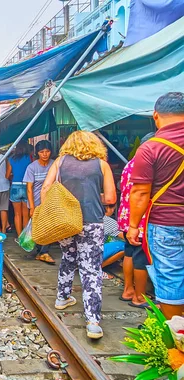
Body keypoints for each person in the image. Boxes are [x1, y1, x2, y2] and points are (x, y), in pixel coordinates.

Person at [42, 131, 116, 339]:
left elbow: (46, 187)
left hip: (65, 221)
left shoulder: (60, 162)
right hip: (92, 220)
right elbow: (110, 197)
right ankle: (92, 321)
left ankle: (62, 297)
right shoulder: (101, 164)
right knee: (90, 268)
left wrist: (50, 210)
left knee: (68, 257)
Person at [128, 92, 184, 319]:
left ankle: (176, 342)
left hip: (166, 222)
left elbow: (140, 191)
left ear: (156, 116)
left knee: (171, 276)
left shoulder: (151, 148)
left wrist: (133, 226)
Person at [117, 133, 155, 308]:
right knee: (141, 256)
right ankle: (139, 297)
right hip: (139, 218)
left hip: (126, 216)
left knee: (129, 253)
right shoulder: (147, 165)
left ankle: (128, 290)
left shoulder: (130, 164)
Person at [23, 140, 55, 264]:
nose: (45, 154)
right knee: (38, 228)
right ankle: (41, 251)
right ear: (37, 153)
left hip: (51, 202)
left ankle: (43, 251)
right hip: (35, 202)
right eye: (42, 152)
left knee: (49, 228)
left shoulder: (54, 165)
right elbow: (29, 189)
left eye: (47, 151)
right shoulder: (32, 167)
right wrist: (31, 207)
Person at [8, 142, 32, 237]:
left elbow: (7, 175)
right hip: (26, 186)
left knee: (17, 214)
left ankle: (19, 237)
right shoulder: (29, 158)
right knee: (25, 214)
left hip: (15, 186)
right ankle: (25, 237)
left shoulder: (11, 159)